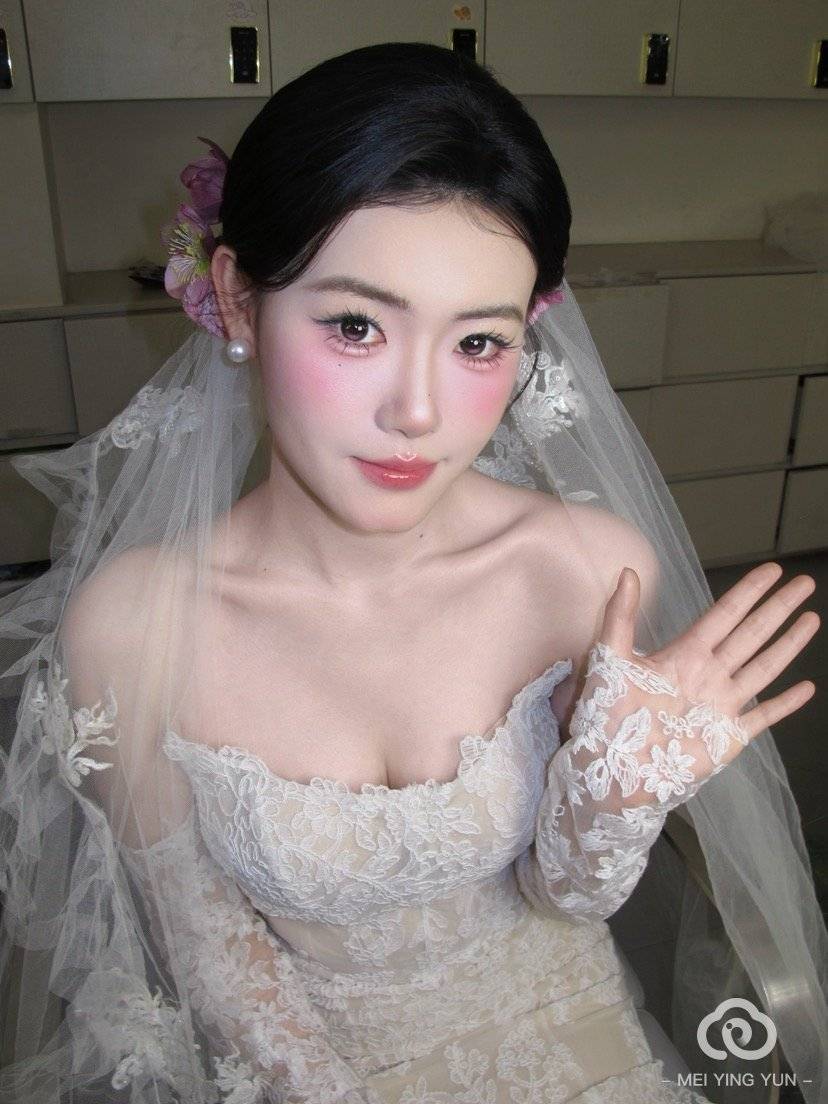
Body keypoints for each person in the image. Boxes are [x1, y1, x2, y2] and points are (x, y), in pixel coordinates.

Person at [0, 41, 826, 1104]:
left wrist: (609, 807)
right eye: (356, 326)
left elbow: (565, 902)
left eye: (478, 344)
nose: (419, 412)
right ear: (239, 301)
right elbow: (213, 959)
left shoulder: (590, 569)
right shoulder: (130, 628)